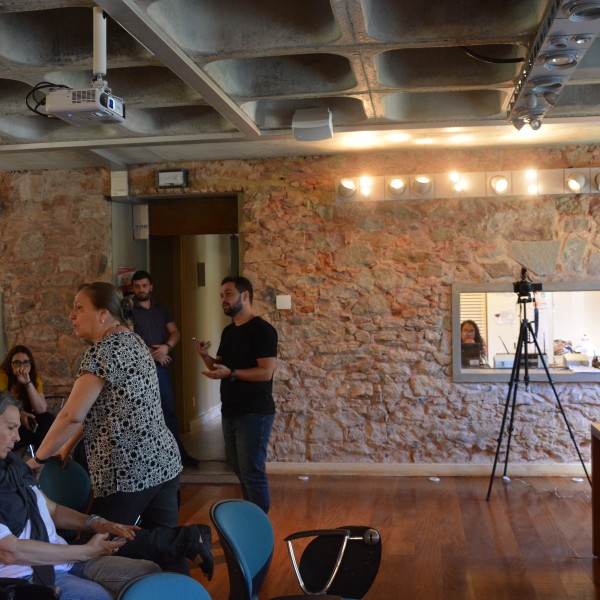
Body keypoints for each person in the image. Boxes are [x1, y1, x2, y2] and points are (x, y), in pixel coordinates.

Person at [26, 282, 212, 578]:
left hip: (128, 470)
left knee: (94, 546)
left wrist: (38, 459)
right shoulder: (134, 340)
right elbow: (106, 408)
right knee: (168, 553)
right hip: (162, 461)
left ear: (103, 314)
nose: (71, 315)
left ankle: (188, 538)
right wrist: (69, 445)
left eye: (78, 307)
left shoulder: (101, 352)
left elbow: (72, 414)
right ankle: (184, 562)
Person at [0, 393, 214, 599]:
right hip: (27, 576)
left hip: (66, 560)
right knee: (107, 596)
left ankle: (186, 542)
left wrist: (97, 523)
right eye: (11, 428)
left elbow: (52, 509)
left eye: (17, 429)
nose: (17, 437)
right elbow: (10, 551)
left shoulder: (13, 466)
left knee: (151, 573)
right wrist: (84, 551)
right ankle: (186, 540)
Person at [194, 276, 277, 513]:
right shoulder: (229, 332)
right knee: (240, 471)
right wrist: (204, 355)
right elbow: (218, 367)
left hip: (255, 411)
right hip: (230, 410)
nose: (224, 299)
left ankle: (259, 528)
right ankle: (250, 520)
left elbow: (265, 373)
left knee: (252, 472)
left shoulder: (263, 330)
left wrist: (231, 373)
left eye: (228, 294)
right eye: (221, 295)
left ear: (245, 296)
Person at [130, 270, 199, 468]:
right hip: (139, 369)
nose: (141, 290)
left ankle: (178, 453)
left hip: (160, 367)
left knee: (169, 411)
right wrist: (155, 350)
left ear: (151, 287)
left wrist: (165, 347)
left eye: (144, 285)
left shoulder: (161, 309)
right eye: (137, 286)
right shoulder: (128, 309)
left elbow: (175, 332)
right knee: (142, 413)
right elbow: (129, 337)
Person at [0, 345, 54, 452]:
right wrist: (20, 414)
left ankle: (40, 461)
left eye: (26, 362)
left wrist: (28, 383)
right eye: (17, 363)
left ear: (30, 364)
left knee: (47, 419)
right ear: (10, 365)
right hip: (8, 425)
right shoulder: (3, 376)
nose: (21, 366)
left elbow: (41, 409)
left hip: (26, 425)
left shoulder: (33, 377)